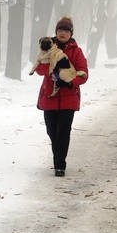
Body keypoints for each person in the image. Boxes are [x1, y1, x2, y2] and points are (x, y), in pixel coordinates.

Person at [34, 16, 88, 177]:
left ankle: (59, 165)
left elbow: (83, 74)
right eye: (60, 30)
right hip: (49, 98)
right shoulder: (48, 47)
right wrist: (53, 71)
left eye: (66, 30)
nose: (62, 33)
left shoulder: (76, 51)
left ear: (71, 33)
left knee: (63, 132)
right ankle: (58, 157)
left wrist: (70, 82)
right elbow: (39, 68)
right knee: (52, 131)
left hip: (68, 98)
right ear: (56, 32)